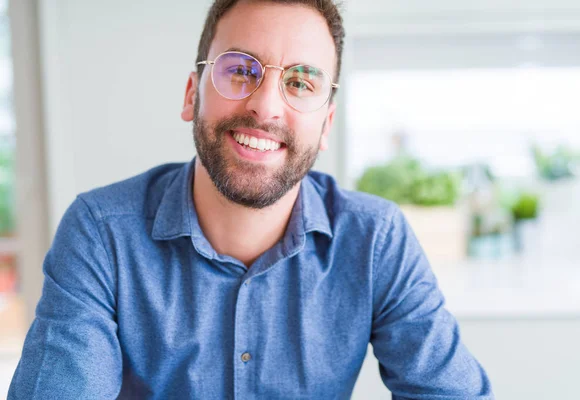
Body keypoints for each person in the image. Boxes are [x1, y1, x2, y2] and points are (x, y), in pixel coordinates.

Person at [9, 0, 494, 398]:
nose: (265, 104)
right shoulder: (101, 233)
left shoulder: (377, 240)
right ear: (192, 94)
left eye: (300, 83)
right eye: (240, 70)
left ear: (326, 125)